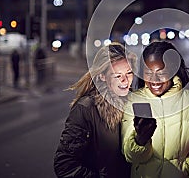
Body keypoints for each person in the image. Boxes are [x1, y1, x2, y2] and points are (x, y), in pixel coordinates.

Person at [54, 42, 136, 177]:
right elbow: (64, 164)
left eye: (129, 73)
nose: (125, 80)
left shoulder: (136, 102)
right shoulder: (86, 109)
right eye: (117, 75)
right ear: (102, 76)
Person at [121, 41, 189, 178]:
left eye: (161, 72)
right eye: (148, 72)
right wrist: (140, 140)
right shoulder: (133, 100)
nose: (154, 80)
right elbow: (129, 156)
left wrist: (185, 168)